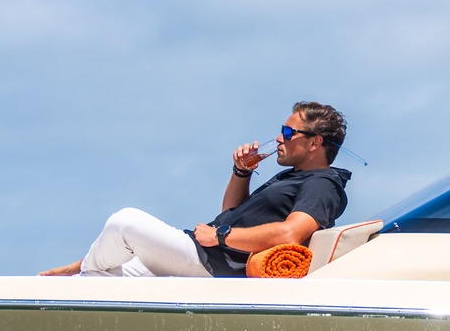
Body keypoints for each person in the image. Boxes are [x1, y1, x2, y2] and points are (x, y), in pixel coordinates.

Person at [41, 102, 352, 278]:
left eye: (288, 132)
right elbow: (230, 212)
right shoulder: (292, 177)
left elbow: (290, 234)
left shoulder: (323, 184)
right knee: (103, 277)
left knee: (125, 222)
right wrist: (241, 172)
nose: (280, 138)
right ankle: (82, 272)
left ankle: (82, 269)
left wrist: (221, 236)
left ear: (315, 142)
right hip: (203, 252)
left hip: (212, 260)